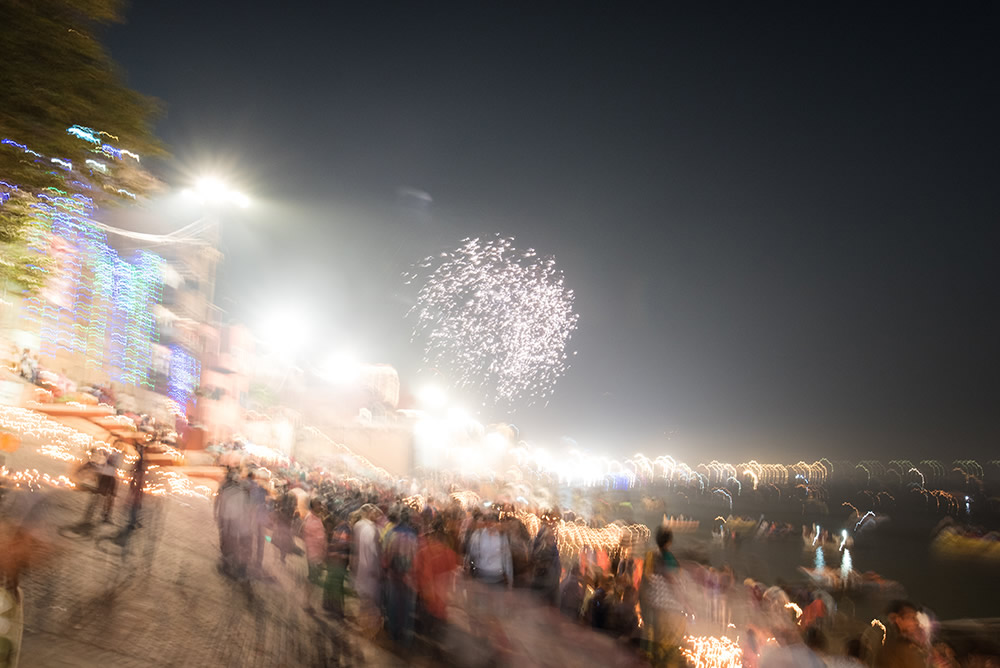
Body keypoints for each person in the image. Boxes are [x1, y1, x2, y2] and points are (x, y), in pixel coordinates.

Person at [352, 504, 383, 638]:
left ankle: (362, 623)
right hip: (370, 569)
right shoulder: (371, 529)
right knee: (369, 601)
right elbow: (374, 552)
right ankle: (368, 630)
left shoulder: (358, 525)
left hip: (361, 567)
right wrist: (377, 569)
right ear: (369, 513)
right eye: (374, 512)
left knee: (364, 599)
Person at [877, 600, 930, 668]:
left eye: (915, 617)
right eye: (911, 617)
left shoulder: (911, 645)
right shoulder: (895, 649)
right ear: (897, 619)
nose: (916, 622)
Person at [83, 444, 122, 525]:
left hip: (112, 477)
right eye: (117, 443)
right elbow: (98, 450)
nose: (118, 446)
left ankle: (106, 516)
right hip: (104, 475)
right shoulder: (107, 451)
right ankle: (90, 513)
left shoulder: (120, 454)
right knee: (98, 495)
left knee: (110, 497)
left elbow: (117, 466)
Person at [301, 498, 327, 613]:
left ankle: (306, 601)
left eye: (320, 504)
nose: (320, 507)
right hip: (314, 554)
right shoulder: (312, 520)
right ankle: (306, 603)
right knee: (312, 578)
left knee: (312, 577)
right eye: (318, 505)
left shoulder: (314, 517)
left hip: (315, 553)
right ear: (312, 507)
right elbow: (318, 540)